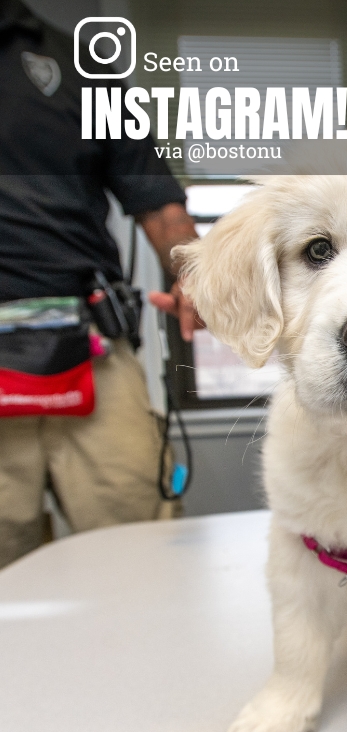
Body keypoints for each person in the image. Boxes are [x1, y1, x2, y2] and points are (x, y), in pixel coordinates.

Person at [0, 0, 201, 569]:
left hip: (91, 352)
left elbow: (158, 203)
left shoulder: (82, 62)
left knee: (142, 552)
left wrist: (198, 276)